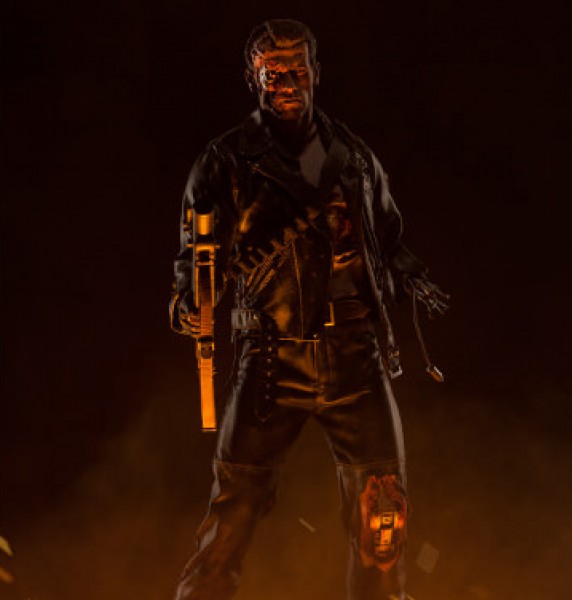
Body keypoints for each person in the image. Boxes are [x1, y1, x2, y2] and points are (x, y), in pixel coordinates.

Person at [169, 19, 447, 600]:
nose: (287, 83)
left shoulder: (355, 158)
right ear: (253, 79)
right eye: (273, 73)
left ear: (316, 72)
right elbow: (195, 258)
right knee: (230, 522)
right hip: (270, 359)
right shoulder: (224, 162)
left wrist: (410, 273)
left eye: (297, 69)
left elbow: (386, 236)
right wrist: (189, 303)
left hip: (357, 358)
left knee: (383, 520)